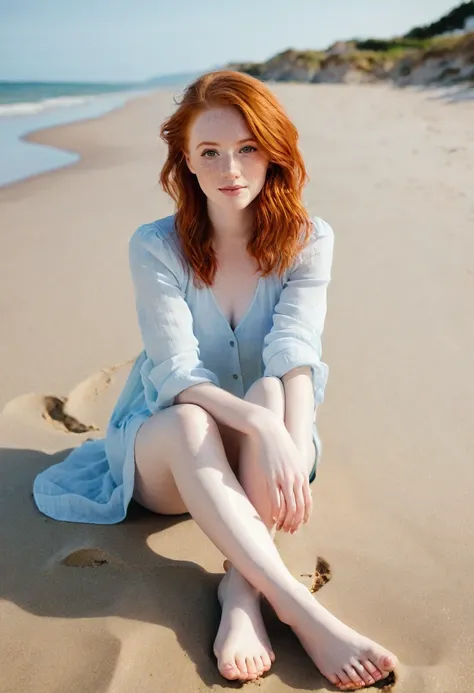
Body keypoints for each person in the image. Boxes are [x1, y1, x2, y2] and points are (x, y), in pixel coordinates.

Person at [33, 70, 398, 690]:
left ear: (274, 151)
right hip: (171, 454)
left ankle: (240, 593)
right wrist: (260, 423)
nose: (231, 167)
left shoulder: (310, 239)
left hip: (274, 445)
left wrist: (285, 431)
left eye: (247, 147)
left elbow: (296, 351)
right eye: (211, 152)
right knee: (192, 415)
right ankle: (299, 609)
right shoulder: (156, 247)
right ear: (188, 164)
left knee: (272, 387)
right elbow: (176, 374)